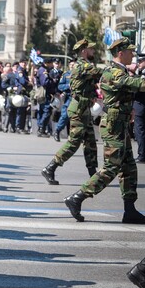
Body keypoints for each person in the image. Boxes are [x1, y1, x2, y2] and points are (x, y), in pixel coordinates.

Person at [63, 38, 145, 224]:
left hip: (120, 124)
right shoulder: (114, 72)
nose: (132, 54)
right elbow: (139, 84)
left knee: (129, 168)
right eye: (130, 51)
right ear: (120, 53)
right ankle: (77, 198)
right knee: (111, 167)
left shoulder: (120, 70)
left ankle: (130, 209)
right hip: (113, 126)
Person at [42, 41, 99, 185]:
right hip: (78, 108)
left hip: (84, 108)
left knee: (90, 142)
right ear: (84, 50)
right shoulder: (82, 65)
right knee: (74, 142)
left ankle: (93, 174)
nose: (94, 51)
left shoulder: (86, 65)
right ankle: (50, 168)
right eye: (92, 49)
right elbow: (102, 73)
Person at [53, 60, 75, 142]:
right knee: (65, 116)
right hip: (69, 98)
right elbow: (60, 86)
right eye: (71, 65)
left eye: (74, 64)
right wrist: (67, 86)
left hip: (78, 99)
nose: (72, 66)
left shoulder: (80, 75)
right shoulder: (66, 75)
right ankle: (57, 131)